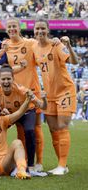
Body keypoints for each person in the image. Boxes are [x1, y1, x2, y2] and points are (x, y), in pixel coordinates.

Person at [0, 65, 47, 176]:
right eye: (3, 79)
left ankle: (30, 165)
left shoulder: (22, 90)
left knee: (29, 131)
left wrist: (43, 99)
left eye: (8, 79)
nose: (6, 81)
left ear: (13, 79)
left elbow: (43, 106)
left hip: (25, 112)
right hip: (9, 115)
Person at [32, 19, 79, 175]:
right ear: (34, 31)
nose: (40, 31)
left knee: (62, 126)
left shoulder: (56, 45)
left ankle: (62, 165)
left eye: (42, 28)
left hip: (65, 90)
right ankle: (62, 166)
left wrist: (69, 46)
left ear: (48, 30)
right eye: (37, 28)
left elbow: (74, 61)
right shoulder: (34, 47)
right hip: (50, 94)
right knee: (53, 129)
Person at [3, 18, 50, 172]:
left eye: (14, 26)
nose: (12, 29)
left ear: (19, 27)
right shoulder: (5, 46)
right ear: (6, 29)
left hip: (32, 92)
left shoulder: (31, 43)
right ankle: (24, 161)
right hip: (17, 95)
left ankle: (39, 162)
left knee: (35, 129)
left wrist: (53, 40)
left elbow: (44, 48)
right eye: (9, 27)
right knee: (21, 131)